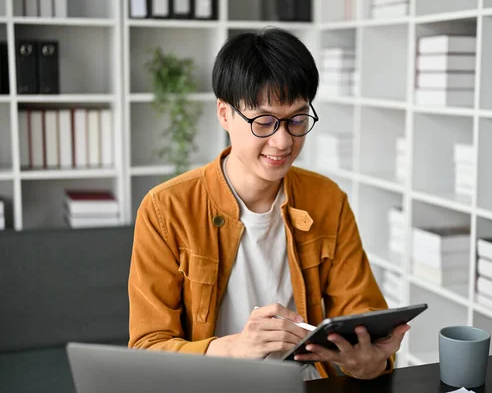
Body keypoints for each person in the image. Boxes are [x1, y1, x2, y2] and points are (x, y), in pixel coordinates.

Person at [128, 27, 409, 381]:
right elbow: (147, 348)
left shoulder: (327, 200)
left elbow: (361, 317)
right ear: (224, 114)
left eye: (297, 119)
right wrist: (237, 348)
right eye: (264, 121)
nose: (282, 141)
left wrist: (366, 363)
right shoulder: (165, 209)